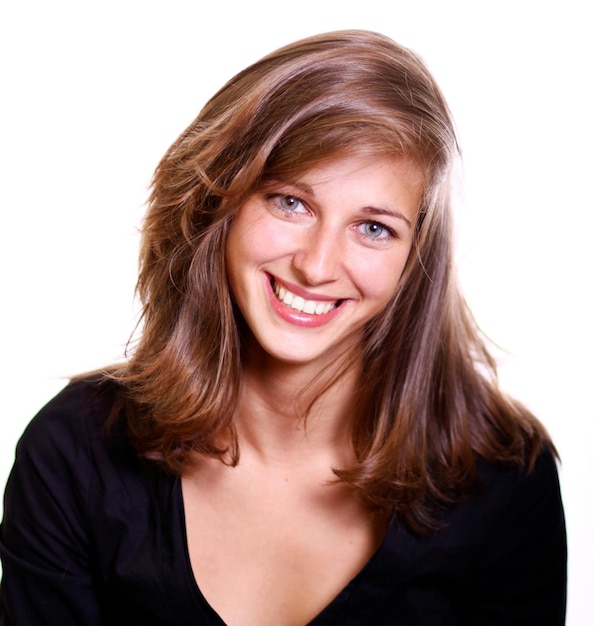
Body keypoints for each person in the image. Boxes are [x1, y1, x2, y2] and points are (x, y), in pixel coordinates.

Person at [0, 29, 566, 626]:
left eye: (374, 228)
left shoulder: (502, 479)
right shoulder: (75, 451)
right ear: (219, 203)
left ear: (414, 263)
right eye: (290, 202)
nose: (317, 266)